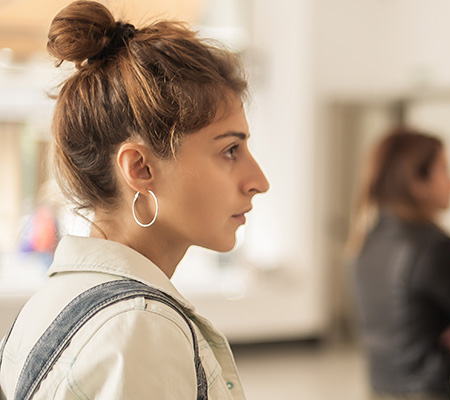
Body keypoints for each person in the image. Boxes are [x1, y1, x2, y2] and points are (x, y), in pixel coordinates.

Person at [0, 1, 269, 398]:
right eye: (230, 150)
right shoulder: (139, 328)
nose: (258, 181)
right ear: (140, 168)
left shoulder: (50, 303)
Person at [349, 127, 450, 400]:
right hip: (430, 390)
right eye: (445, 170)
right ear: (417, 181)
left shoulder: (367, 241)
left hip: (381, 388)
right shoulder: (433, 246)